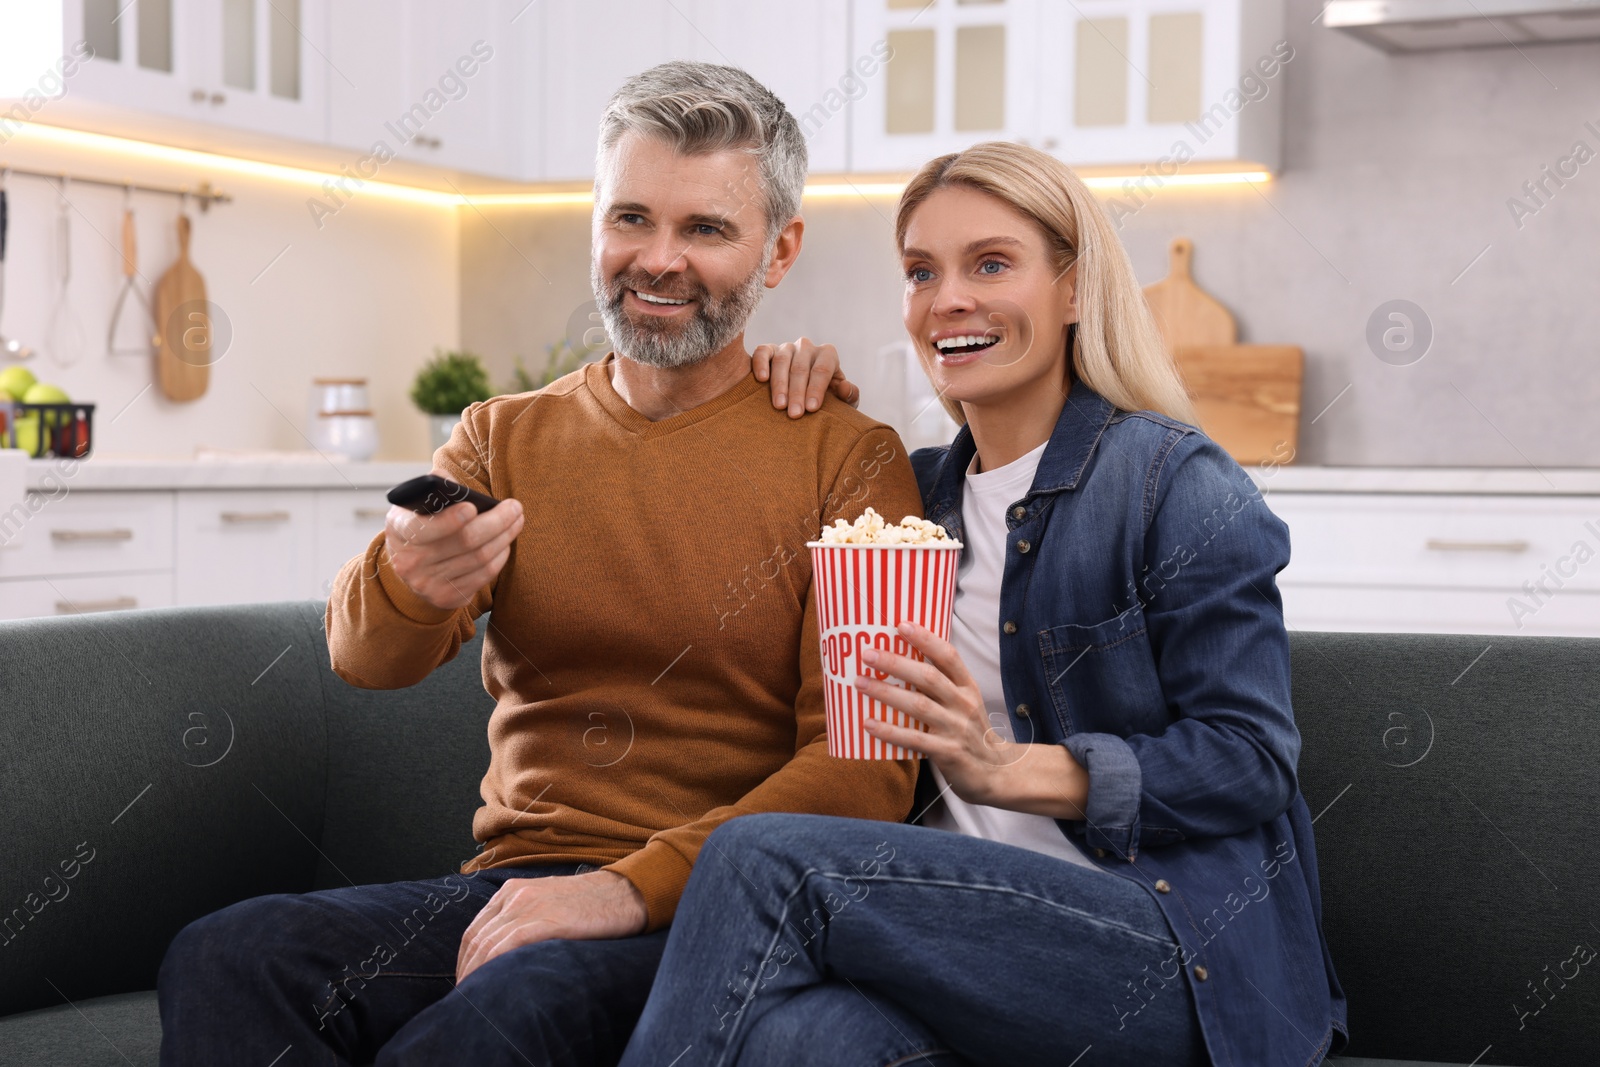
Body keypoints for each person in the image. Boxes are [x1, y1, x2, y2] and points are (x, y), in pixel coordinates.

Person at [155, 62, 922, 1067]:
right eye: (629, 217)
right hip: (516, 880)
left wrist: (623, 886)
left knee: (496, 1019)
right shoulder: (499, 436)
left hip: (723, 907)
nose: (656, 259)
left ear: (779, 250)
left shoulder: (856, 460)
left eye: (704, 229)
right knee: (230, 953)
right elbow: (362, 656)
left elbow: (869, 771)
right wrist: (404, 579)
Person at [615, 142, 1349, 1067]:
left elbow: (1250, 759)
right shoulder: (910, 499)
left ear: (1075, 288)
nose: (947, 298)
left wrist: (1008, 769)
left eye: (991, 264)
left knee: (761, 860)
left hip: (1168, 961)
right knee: (802, 1036)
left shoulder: (1173, 481)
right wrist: (777, 407)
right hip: (963, 949)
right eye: (922, 272)